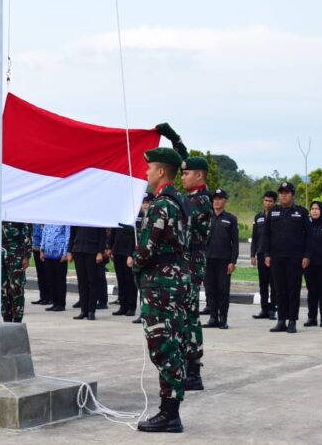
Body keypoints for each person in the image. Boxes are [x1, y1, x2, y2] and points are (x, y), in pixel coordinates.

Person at [133, 147, 191, 433]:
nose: (146, 173)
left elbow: (147, 248)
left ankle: (169, 414)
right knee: (174, 341)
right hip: (176, 279)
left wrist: (135, 265)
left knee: (162, 345)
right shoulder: (179, 202)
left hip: (160, 282)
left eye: (149, 168)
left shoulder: (160, 205)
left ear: (160, 172)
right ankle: (171, 410)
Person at [157, 123, 208, 392]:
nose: (183, 177)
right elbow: (181, 165)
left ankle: (193, 369)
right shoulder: (191, 197)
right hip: (185, 265)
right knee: (184, 316)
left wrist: (175, 145)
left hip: (190, 264)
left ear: (199, 176)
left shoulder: (200, 201)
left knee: (188, 318)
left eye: (187, 174)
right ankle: (189, 367)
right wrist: (175, 140)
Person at [260, 182, 313, 334]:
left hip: (295, 258)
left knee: (293, 290)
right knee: (279, 290)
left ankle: (292, 321)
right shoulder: (274, 212)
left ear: (293, 195)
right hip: (277, 257)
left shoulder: (301, 212)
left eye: (287, 192)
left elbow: (309, 236)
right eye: (281, 192)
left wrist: (307, 255)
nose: (284, 195)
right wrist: (267, 254)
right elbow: (266, 235)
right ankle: (281, 320)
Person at [202, 189, 239, 329]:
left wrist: (233, 261)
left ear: (225, 201)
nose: (216, 201)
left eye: (220, 199)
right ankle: (213, 317)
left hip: (224, 260)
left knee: (223, 290)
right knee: (210, 289)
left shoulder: (230, 219)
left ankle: (223, 318)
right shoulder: (206, 217)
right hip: (208, 259)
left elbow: (235, 242)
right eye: (214, 199)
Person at [68, 226, 107, 321]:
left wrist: (100, 252)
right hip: (78, 250)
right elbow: (72, 233)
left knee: (92, 282)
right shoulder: (77, 216)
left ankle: (91, 311)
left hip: (92, 251)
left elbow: (102, 235)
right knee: (82, 283)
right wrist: (69, 251)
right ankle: (83, 310)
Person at [251, 191, 278, 320]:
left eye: (270, 201)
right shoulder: (258, 217)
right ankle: (264, 309)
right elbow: (255, 237)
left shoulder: (278, 216)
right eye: (266, 200)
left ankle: (273, 309)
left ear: (275, 202)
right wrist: (252, 254)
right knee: (263, 283)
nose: (268, 203)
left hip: (274, 255)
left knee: (274, 283)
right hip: (261, 253)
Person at [107, 216, 138, 317]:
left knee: (130, 280)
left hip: (128, 252)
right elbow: (113, 232)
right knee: (121, 280)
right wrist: (110, 247)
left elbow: (134, 237)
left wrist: (131, 254)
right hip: (117, 250)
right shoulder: (120, 216)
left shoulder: (134, 217)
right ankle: (123, 305)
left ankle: (131, 307)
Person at [1, 222, 32, 322]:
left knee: (16, 287)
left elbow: (27, 233)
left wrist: (26, 255)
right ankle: (6, 317)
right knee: (2, 287)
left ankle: (17, 319)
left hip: (16, 253)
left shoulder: (19, 210)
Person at [133, 193, 154, 325]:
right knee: (140, 286)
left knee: (150, 288)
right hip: (138, 256)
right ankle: (143, 313)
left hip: (150, 258)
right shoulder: (137, 217)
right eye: (143, 202)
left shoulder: (154, 217)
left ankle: (150, 313)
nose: (145, 204)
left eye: (148, 202)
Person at [40, 224, 71, 312]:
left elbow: (67, 236)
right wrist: (42, 249)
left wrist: (65, 253)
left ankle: (61, 304)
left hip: (60, 255)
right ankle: (54, 302)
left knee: (60, 280)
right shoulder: (49, 219)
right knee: (50, 280)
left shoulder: (65, 220)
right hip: (48, 254)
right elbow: (44, 233)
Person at [30, 224, 49, 306]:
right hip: (35, 248)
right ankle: (43, 296)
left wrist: (42, 248)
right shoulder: (34, 222)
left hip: (44, 249)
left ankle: (48, 297)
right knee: (40, 274)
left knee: (46, 274)